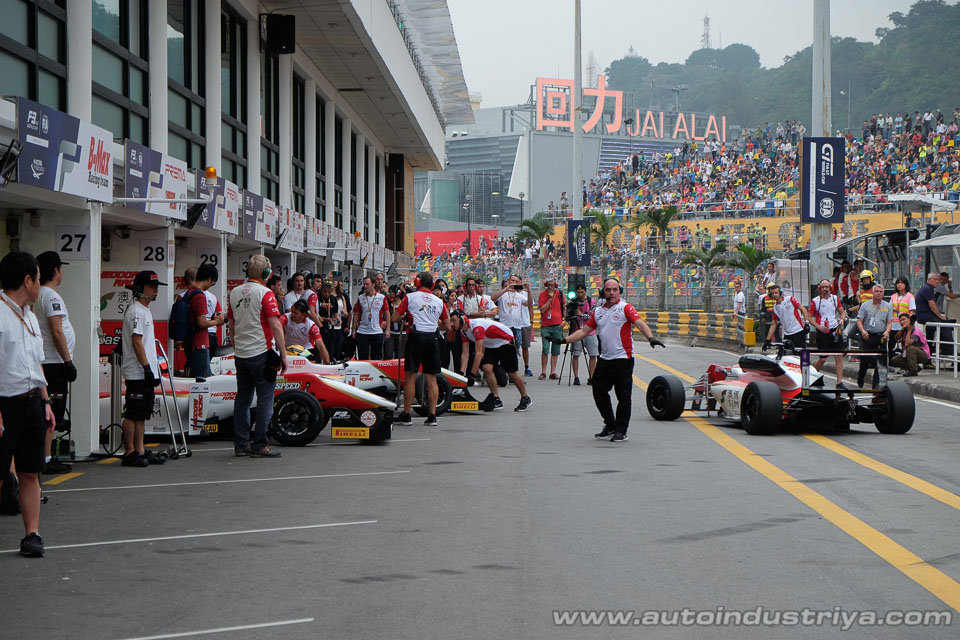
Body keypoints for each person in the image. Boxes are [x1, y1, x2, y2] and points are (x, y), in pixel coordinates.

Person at [0, 251, 58, 557]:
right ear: (27, 280)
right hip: (4, 405)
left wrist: (45, 401)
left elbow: (36, 363)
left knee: (30, 472)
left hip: (33, 403)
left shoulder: (31, 316)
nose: (40, 282)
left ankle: (32, 535)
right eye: (37, 277)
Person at [564, 278, 664, 442]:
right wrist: (563, 341)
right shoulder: (598, 312)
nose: (611, 293)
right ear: (603, 292)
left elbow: (639, 323)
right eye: (608, 290)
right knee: (598, 390)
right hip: (605, 359)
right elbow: (583, 332)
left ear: (620, 291)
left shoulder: (626, 308)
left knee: (623, 396)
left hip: (623, 359)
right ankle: (610, 425)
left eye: (615, 289)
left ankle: (621, 430)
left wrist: (651, 338)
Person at [227, 255, 286, 457]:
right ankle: (260, 443)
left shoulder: (234, 293)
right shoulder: (266, 293)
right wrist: (283, 355)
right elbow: (276, 325)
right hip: (262, 353)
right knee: (265, 400)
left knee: (242, 399)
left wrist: (236, 347)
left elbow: (231, 324)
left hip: (241, 355)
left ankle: (241, 445)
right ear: (267, 274)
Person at [34, 251, 76, 474]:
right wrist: (68, 361)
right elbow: (57, 331)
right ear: (55, 270)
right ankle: (47, 458)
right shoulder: (50, 296)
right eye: (61, 268)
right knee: (50, 412)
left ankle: (46, 456)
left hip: (50, 362)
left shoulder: (41, 294)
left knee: (50, 412)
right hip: (53, 362)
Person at [120, 270, 167, 468]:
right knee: (132, 412)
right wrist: (147, 368)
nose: (156, 290)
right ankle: (129, 451)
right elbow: (137, 342)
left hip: (145, 370)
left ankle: (139, 449)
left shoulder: (144, 310)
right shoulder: (137, 311)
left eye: (157, 286)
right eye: (152, 286)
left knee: (142, 413)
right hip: (137, 371)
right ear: (141, 288)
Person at [391, 271, 449, 427]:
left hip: (416, 338)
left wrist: (405, 317)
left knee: (410, 376)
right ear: (431, 285)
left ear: (417, 282)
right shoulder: (439, 302)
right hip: (432, 338)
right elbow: (448, 326)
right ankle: (432, 416)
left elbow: (394, 318)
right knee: (432, 378)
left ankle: (407, 414)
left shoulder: (410, 298)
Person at [449, 311, 531, 412]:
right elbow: (465, 354)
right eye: (450, 321)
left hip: (505, 340)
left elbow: (479, 354)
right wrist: (461, 373)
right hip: (491, 344)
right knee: (487, 368)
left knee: (511, 372)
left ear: (462, 319)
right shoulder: (463, 331)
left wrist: (472, 374)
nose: (452, 324)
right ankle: (496, 399)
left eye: (453, 320)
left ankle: (525, 398)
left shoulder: (477, 327)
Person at [184, 264, 225, 378]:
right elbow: (201, 322)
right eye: (213, 282)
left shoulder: (188, 293)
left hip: (190, 342)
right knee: (202, 380)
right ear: (209, 279)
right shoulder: (200, 295)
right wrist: (217, 322)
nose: (211, 285)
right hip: (200, 344)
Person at [490, 275, 534, 377]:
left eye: (516, 281)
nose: (513, 283)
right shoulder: (503, 294)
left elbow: (529, 304)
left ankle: (513, 373)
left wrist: (529, 291)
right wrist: (506, 289)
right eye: (512, 280)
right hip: (504, 327)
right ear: (509, 281)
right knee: (502, 349)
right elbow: (492, 298)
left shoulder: (520, 296)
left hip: (517, 327)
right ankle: (502, 372)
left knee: (515, 351)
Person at [808, 279, 847, 386]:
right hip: (823, 333)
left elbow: (842, 312)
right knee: (823, 359)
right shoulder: (815, 301)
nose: (825, 289)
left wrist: (842, 319)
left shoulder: (835, 299)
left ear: (831, 288)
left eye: (827, 287)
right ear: (820, 288)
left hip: (835, 330)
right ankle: (811, 377)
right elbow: (809, 317)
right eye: (823, 287)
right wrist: (818, 327)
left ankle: (839, 382)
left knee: (838, 356)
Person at [856, 284, 893, 389]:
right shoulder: (865, 305)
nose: (878, 293)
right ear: (873, 292)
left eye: (881, 292)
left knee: (881, 362)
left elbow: (889, 322)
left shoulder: (887, 306)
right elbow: (859, 321)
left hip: (881, 336)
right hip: (868, 336)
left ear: (883, 293)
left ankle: (876, 384)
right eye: (876, 291)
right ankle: (860, 377)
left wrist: (887, 331)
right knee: (865, 361)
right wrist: (863, 331)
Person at [915, 272, 956, 358]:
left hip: (927, 316)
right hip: (926, 316)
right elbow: (932, 305)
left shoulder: (928, 288)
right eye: (935, 279)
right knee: (945, 327)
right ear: (929, 279)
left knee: (931, 334)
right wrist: (941, 317)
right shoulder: (927, 288)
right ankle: (951, 354)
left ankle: (929, 357)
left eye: (938, 280)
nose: (937, 282)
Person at [763, 285, 813, 350]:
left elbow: (803, 309)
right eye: (772, 293)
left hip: (798, 331)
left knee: (800, 355)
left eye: (776, 292)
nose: (774, 295)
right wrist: (767, 339)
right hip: (787, 334)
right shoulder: (775, 308)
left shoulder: (789, 299)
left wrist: (806, 323)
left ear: (780, 293)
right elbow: (774, 324)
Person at [351, 276, 390, 360]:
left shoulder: (381, 297)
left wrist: (388, 329)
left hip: (376, 331)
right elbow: (356, 313)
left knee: (377, 356)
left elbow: (387, 313)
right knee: (363, 356)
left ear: (373, 284)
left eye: (367, 284)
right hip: (362, 331)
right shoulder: (361, 298)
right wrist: (353, 329)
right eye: (364, 284)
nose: (365, 286)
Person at [569, 283, 598, 385]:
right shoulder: (573, 302)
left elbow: (593, 317)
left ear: (585, 291)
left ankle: (592, 376)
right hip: (577, 331)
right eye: (578, 292)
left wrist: (581, 315)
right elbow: (568, 316)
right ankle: (576, 377)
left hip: (590, 331)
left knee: (593, 354)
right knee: (575, 354)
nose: (580, 294)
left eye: (582, 292)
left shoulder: (591, 302)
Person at [538, 278, 564, 380]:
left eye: (552, 285)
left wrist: (564, 320)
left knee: (556, 349)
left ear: (555, 285)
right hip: (546, 325)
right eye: (548, 285)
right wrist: (549, 299)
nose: (550, 287)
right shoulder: (542, 295)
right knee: (545, 348)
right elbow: (542, 310)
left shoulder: (560, 294)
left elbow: (564, 307)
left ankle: (553, 372)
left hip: (557, 325)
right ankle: (543, 372)